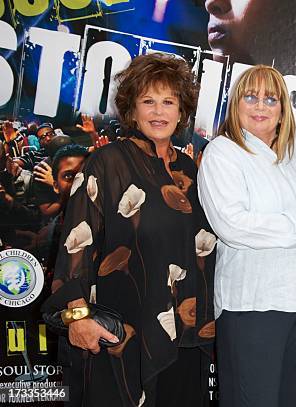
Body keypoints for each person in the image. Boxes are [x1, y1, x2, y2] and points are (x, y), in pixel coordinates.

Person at [42, 53, 216, 407]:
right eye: (148, 101)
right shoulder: (107, 163)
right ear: (132, 110)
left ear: (182, 112)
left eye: (168, 102)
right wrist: (78, 318)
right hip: (123, 336)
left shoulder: (192, 170)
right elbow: (75, 247)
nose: (158, 112)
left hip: (186, 336)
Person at [197, 65, 296, 407]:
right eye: (251, 97)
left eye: (270, 99)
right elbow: (233, 225)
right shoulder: (223, 152)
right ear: (236, 104)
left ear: (283, 108)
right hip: (254, 308)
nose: (260, 106)